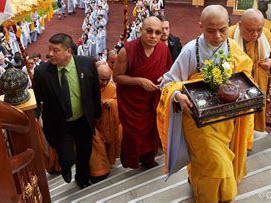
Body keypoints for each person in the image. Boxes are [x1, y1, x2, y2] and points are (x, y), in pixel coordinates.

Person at [158, 5, 253, 202]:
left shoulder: (232, 47)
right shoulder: (190, 51)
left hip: (224, 118)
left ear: (229, 26)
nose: (217, 36)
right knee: (215, 163)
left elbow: (245, 74)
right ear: (201, 27)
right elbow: (167, 83)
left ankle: (207, 189)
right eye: (210, 30)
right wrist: (177, 96)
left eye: (223, 29)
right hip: (196, 121)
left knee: (209, 163)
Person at [32, 33, 102, 189]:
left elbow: (95, 92)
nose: (50, 54)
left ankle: (82, 177)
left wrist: (97, 115)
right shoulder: (42, 72)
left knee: (85, 153)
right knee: (68, 158)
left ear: (68, 52)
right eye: (50, 49)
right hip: (59, 125)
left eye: (55, 50)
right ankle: (65, 166)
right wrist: (34, 117)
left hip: (83, 120)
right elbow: (36, 99)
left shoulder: (87, 64)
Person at [113, 16, 173, 169]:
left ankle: (148, 159)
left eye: (158, 33)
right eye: (149, 31)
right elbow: (117, 77)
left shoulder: (163, 49)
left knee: (152, 131)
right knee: (133, 134)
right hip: (132, 102)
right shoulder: (127, 51)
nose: (153, 36)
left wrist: (163, 76)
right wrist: (139, 81)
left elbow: (168, 70)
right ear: (141, 30)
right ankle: (129, 159)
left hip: (152, 99)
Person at [228, 9, 271, 143]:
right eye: (250, 30)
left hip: (259, 85)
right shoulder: (228, 35)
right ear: (240, 25)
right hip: (236, 87)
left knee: (253, 117)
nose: (255, 34)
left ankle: (248, 140)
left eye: (259, 30)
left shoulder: (265, 35)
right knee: (235, 120)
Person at [89, 65, 122, 182]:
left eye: (108, 79)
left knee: (109, 145)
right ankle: (100, 172)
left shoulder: (112, 87)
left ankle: (107, 164)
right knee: (98, 147)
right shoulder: (89, 87)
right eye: (102, 79)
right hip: (93, 123)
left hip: (108, 124)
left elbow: (119, 102)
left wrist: (111, 103)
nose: (105, 82)